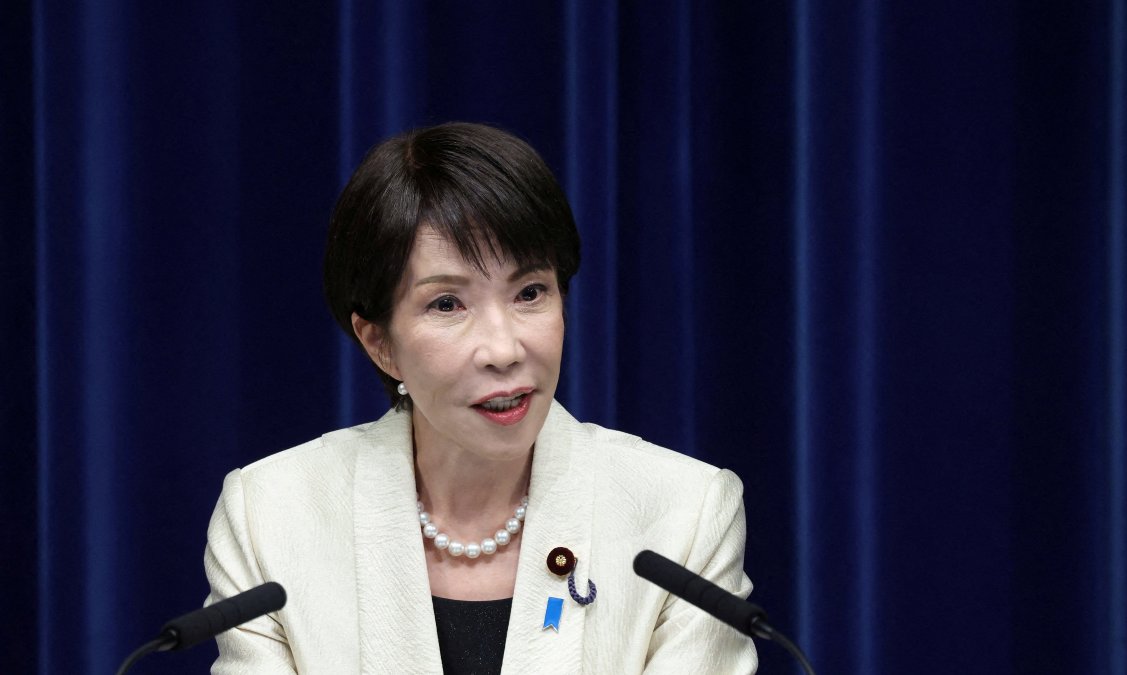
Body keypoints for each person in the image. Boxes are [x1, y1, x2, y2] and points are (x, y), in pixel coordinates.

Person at [203, 122, 757, 673]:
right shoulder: (272, 516)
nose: (503, 349)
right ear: (379, 344)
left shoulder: (682, 516)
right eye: (447, 304)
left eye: (530, 293)